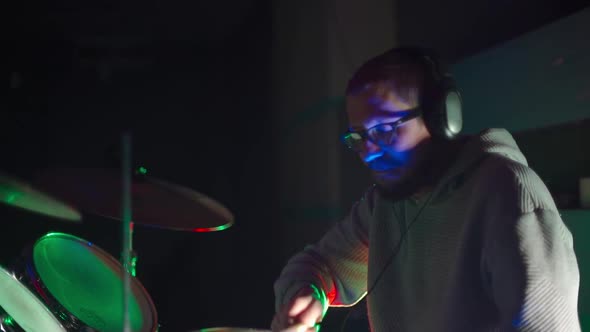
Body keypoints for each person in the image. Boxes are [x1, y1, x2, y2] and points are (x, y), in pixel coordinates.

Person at [270, 46, 581, 332]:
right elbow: (318, 265)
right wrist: (307, 295)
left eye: (384, 131)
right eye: (359, 138)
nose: (369, 153)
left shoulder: (509, 195)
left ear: (442, 117)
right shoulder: (384, 205)